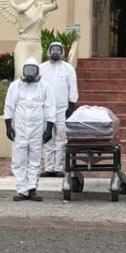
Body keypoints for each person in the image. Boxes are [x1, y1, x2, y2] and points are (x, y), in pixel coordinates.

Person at [3, 58, 57, 202]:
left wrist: (49, 129)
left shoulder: (45, 86)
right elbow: (9, 106)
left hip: (37, 129)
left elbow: (50, 108)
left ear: (38, 72)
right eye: (27, 70)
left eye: (33, 70)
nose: (30, 74)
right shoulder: (15, 86)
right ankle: (22, 190)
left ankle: (32, 189)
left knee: (35, 160)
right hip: (20, 129)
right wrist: (8, 127)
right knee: (19, 160)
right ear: (23, 71)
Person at [39, 41, 78, 178]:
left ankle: (59, 168)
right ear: (49, 51)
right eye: (53, 49)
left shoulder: (68, 68)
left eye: (58, 49)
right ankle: (49, 168)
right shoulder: (41, 68)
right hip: (46, 109)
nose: (55, 51)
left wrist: (71, 105)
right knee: (48, 138)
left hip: (63, 109)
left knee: (61, 138)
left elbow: (73, 87)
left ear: (62, 52)